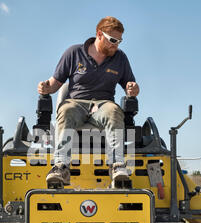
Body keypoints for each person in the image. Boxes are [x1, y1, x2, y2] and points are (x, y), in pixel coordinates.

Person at [37, 16, 140, 187]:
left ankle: (117, 165)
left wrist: (133, 89)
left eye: (119, 41)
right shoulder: (73, 53)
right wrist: (46, 88)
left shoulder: (120, 58)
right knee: (66, 110)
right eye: (113, 40)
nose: (116, 45)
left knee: (113, 111)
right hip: (76, 102)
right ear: (99, 34)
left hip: (103, 104)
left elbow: (131, 86)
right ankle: (61, 166)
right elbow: (54, 83)